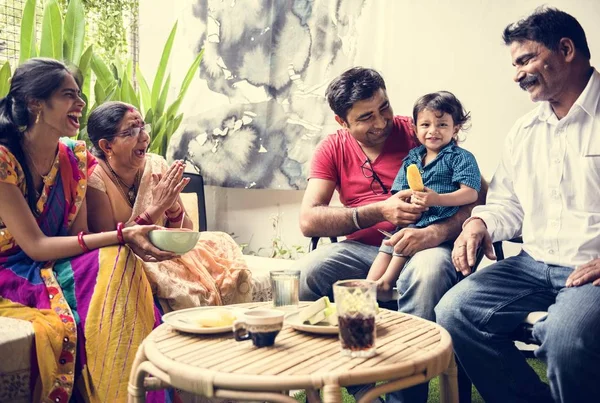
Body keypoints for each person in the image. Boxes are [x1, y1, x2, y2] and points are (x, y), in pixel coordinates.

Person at [435, 7, 600, 402]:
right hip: (533, 264)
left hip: (591, 269)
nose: (517, 73)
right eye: (514, 64)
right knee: (455, 312)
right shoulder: (523, 131)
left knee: (565, 337)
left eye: (525, 59)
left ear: (566, 49)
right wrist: (480, 224)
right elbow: (508, 203)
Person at [296, 67, 485, 403]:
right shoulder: (332, 148)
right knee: (309, 271)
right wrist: (378, 211)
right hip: (368, 250)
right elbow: (309, 220)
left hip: (427, 245)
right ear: (342, 122)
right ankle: (355, 384)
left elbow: (479, 196)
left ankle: (404, 398)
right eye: (366, 117)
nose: (381, 122)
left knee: (427, 274)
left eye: (384, 107)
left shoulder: (419, 129)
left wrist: (436, 232)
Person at [0, 58, 175, 402]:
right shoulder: (5, 159)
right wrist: (124, 235)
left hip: (55, 261)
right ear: (36, 103)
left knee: (120, 260)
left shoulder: (73, 158)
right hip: (14, 269)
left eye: (79, 95)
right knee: (117, 255)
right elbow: (35, 246)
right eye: (69, 95)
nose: (80, 104)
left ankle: (134, 392)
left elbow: (75, 239)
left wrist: (126, 237)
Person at [86, 101, 252, 310]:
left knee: (222, 243)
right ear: (106, 146)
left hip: (166, 253)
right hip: (129, 259)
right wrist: (156, 207)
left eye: (143, 127)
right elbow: (109, 243)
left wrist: (172, 207)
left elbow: (185, 229)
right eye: (131, 132)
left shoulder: (156, 165)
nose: (144, 137)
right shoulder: (94, 176)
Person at [367, 91, 480, 300]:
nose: (433, 131)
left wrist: (437, 199)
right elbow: (399, 191)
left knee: (403, 240)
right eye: (425, 125)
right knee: (389, 243)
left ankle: (385, 283)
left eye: (442, 125)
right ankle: (367, 286)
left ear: (456, 128)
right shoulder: (412, 158)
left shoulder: (460, 158)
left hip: (439, 222)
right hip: (414, 218)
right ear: (415, 128)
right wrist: (408, 200)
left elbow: (471, 193)